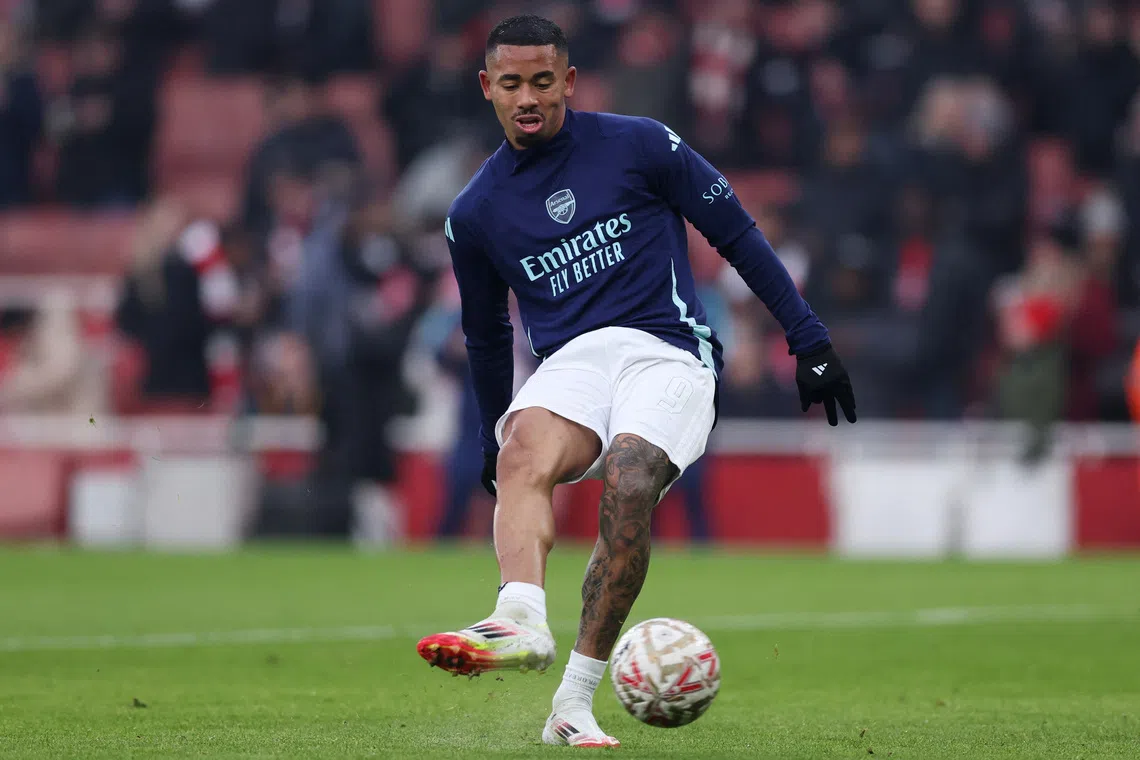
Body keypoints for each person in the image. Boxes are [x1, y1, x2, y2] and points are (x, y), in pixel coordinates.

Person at [415, 15, 857, 748]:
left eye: (544, 81)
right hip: (574, 363)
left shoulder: (641, 144)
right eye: (513, 84)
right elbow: (486, 335)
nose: (530, 98)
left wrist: (808, 337)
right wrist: (496, 442)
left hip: (668, 349)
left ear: (570, 82)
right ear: (488, 88)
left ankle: (574, 701)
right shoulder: (476, 213)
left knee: (628, 478)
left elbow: (737, 232)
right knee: (523, 449)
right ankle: (519, 617)